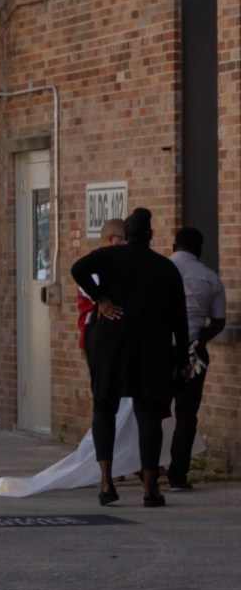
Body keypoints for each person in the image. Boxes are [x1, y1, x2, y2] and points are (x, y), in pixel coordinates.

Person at [69, 208, 190, 507]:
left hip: (109, 341)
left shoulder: (109, 257)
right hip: (152, 346)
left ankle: (106, 481)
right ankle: (150, 488)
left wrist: (101, 299)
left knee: (104, 407)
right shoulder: (165, 267)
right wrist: (183, 357)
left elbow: (78, 268)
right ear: (150, 235)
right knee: (149, 414)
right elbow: (180, 318)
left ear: (126, 235)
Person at [166, 226, 226, 491]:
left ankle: (147, 470)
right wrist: (200, 338)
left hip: (162, 349)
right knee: (186, 415)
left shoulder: (161, 270)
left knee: (152, 413)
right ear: (199, 250)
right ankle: (178, 476)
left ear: (174, 245)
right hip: (193, 352)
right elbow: (219, 322)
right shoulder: (210, 278)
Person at [77, 218, 128, 351]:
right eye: (122, 238)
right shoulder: (96, 260)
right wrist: (101, 299)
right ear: (110, 238)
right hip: (93, 334)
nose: (125, 243)